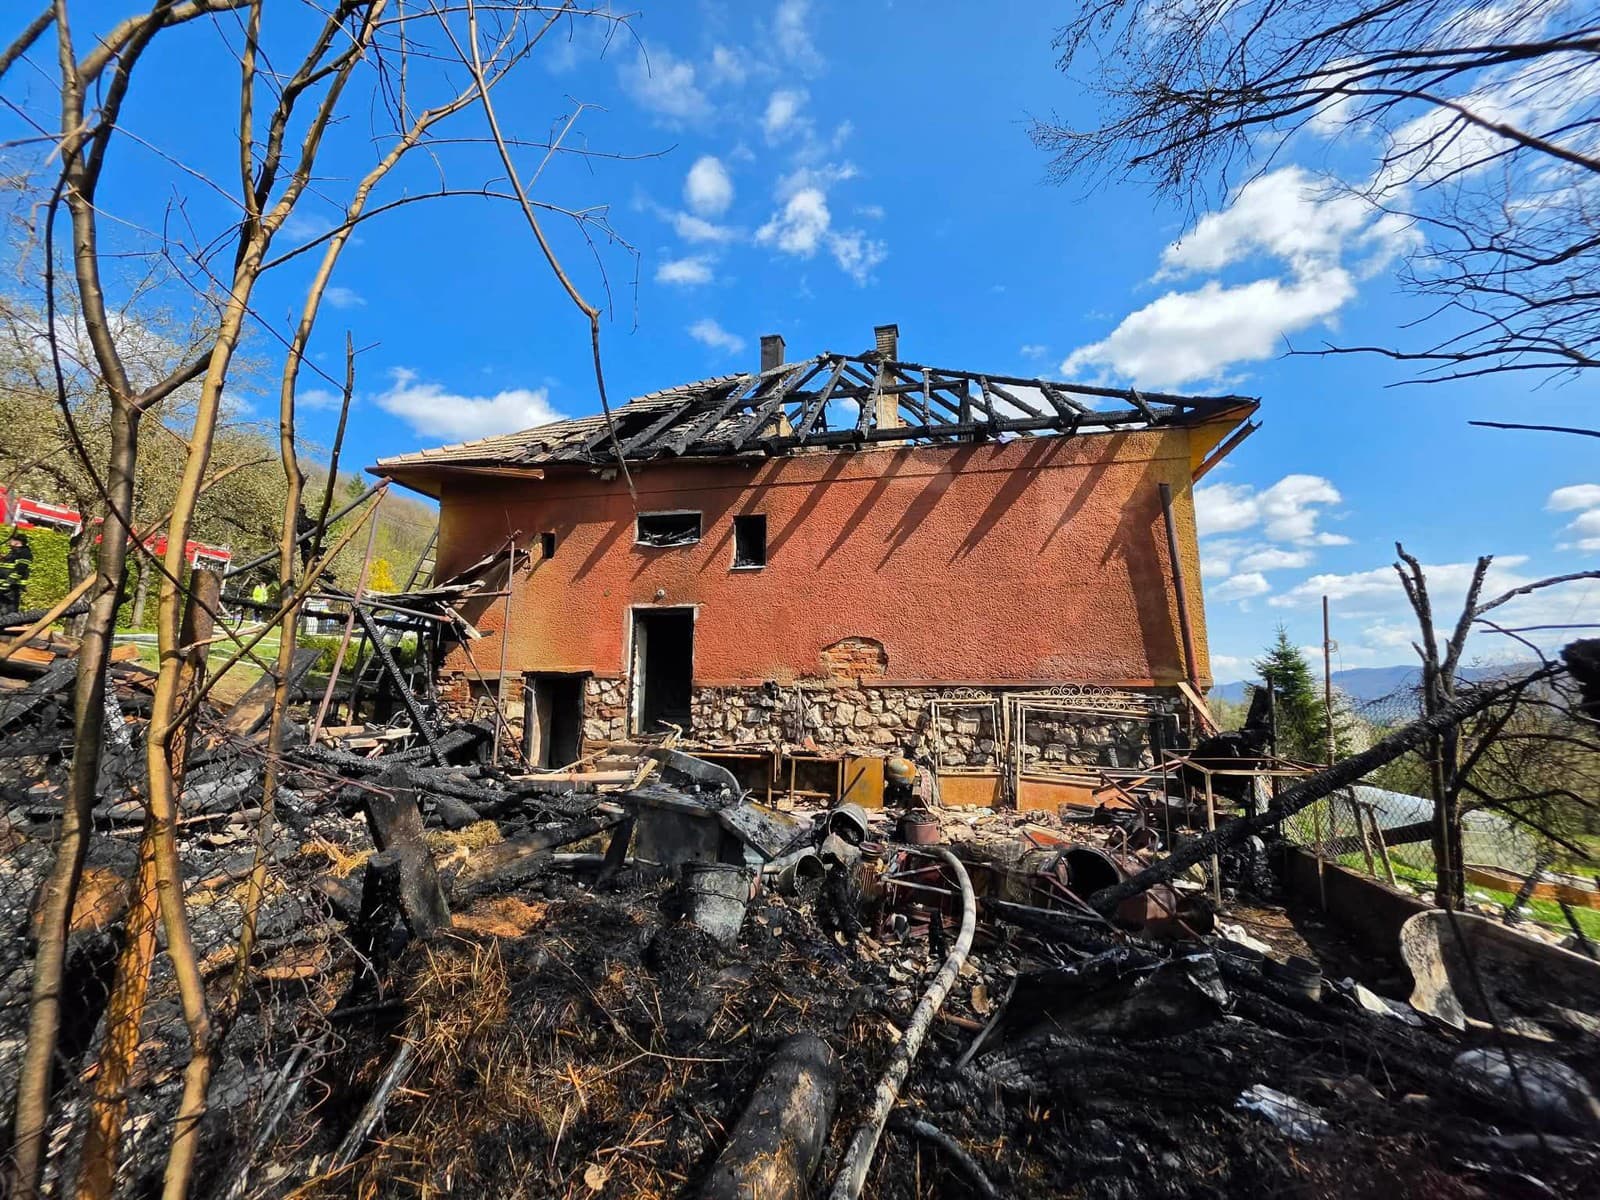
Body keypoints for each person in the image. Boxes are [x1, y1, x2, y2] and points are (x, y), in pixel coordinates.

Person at [0, 533, 32, 612]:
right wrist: (3, 558)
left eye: (11, 540)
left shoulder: (24, 553)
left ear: (17, 542)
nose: (9, 542)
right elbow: (9, 564)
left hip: (11, 588)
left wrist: (8, 584)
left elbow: (20, 570)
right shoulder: (15, 552)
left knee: (8, 613)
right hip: (4, 587)